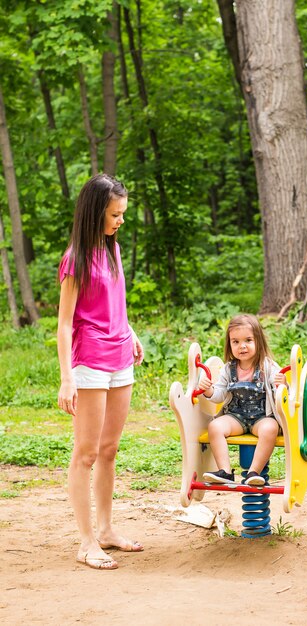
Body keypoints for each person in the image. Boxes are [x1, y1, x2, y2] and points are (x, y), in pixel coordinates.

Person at [57, 173, 144, 571]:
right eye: (114, 214)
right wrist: (67, 378)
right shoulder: (75, 257)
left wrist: (131, 332)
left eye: (123, 214)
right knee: (87, 453)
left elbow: (115, 304)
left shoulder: (113, 249)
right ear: (96, 212)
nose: (120, 221)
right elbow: (64, 324)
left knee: (110, 450)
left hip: (121, 357)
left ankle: (107, 530)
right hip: (90, 361)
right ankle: (86, 541)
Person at [197, 314, 287, 487]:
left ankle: (254, 472)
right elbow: (220, 395)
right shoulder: (228, 369)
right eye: (235, 342)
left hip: (262, 417)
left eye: (248, 340)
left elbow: (280, 397)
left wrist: (282, 385)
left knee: (271, 428)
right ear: (229, 345)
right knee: (215, 426)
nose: (242, 346)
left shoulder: (268, 367)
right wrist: (208, 390)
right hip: (236, 417)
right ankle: (225, 471)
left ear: (258, 342)